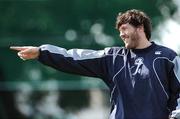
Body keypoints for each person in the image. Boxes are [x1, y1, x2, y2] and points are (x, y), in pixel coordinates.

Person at [10, 9, 180, 119]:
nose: (121, 34)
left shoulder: (167, 57)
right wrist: (41, 52)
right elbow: (74, 57)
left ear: (140, 28)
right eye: (119, 31)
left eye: (125, 29)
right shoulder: (113, 58)